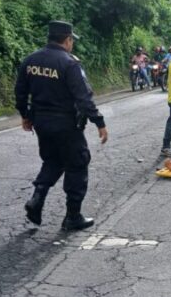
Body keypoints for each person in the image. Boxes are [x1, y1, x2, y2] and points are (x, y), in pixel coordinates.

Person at [15, 21, 108, 230]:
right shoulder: (69, 63)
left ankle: (37, 199)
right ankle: (73, 216)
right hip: (66, 124)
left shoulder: (31, 60)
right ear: (67, 40)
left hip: (41, 123)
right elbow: (83, 97)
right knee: (77, 163)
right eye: (71, 40)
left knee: (53, 160)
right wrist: (99, 122)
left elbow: (20, 92)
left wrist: (25, 115)